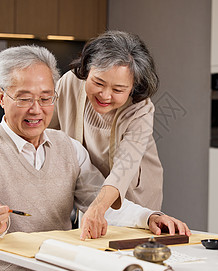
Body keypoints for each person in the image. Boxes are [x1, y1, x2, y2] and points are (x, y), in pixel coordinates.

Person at [0, 45, 190, 271]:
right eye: (24, 98)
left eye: (46, 98)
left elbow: (100, 204)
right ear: (2, 97)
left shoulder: (70, 149)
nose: (36, 109)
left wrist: (149, 217)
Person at [50, 30, 163, 215]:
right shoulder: (70, 83)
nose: (105, 95)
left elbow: (124, 166)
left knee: (129, 231)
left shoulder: (140, 108)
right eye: (98, 83)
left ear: (133, 87)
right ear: (87, 69)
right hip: (87, 189)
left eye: (118, 89)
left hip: (131, 191)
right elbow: (45, 131)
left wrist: (97, 209)